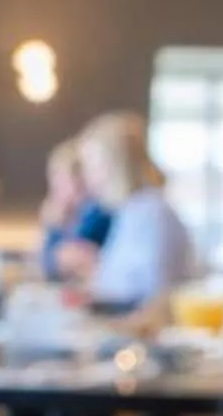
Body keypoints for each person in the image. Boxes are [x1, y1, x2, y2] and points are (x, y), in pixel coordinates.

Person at [75, 112, 197, 313]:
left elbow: (156, 297)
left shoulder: (152, 213)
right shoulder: (130, 211)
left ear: (116, 164)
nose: (89, 177)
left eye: (93, 166)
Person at [37, 138, 110, 288]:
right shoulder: (66, 212)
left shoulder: (97, 211)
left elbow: (63, 258)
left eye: (60, 177)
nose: (55, 185)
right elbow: (47, 260)